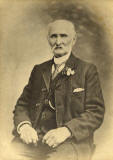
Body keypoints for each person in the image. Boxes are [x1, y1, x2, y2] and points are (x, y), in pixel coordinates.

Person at [12, 19, 105, 160]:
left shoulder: (87, 70)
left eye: (63, 36)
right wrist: (24, 127)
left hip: (71, 142)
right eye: (53, 36)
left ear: (73, 40)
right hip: (36, 140)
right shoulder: (39, 70)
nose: (58, 41)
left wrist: (66, 130)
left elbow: (95, 112)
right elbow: (22, 105)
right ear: (48, 39)